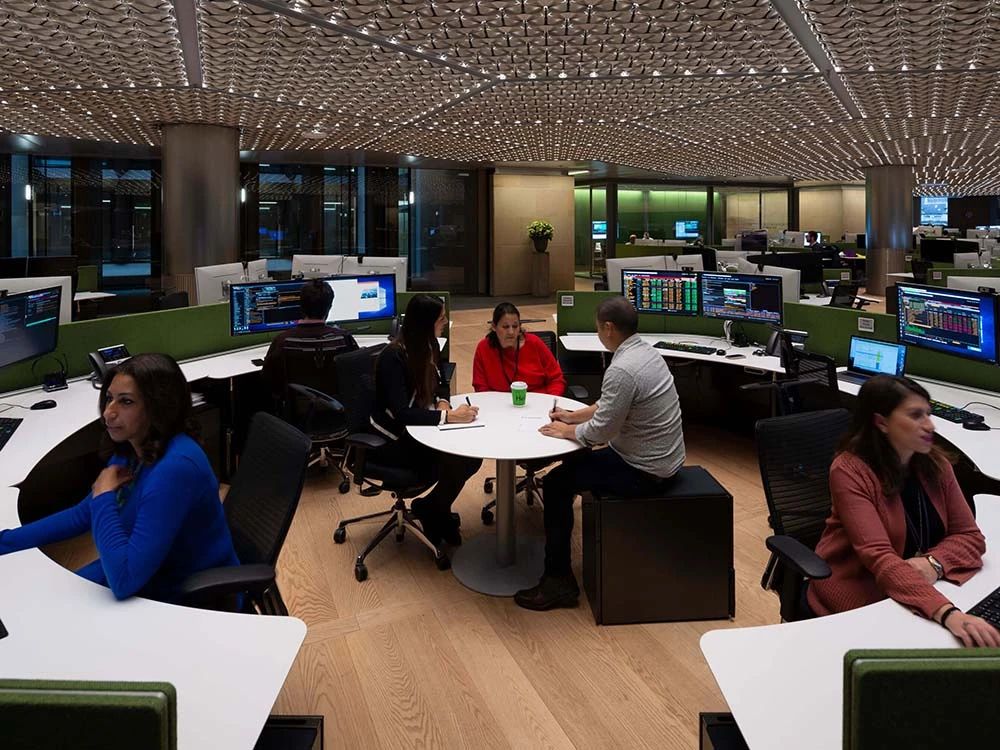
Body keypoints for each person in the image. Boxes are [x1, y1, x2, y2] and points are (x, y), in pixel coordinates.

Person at [0, 353, 239, 603]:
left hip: (187, 594)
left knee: (43, 610)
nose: (108, 413)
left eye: (126, 402)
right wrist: (4, 542)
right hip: (145, 566)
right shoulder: (136, 447)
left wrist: (104, 496)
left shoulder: (175, 468)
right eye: (109, 399)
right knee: (40, 601)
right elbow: (83, 514)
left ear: (158, 407)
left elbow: (124, 581)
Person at [514, 297, 686, 610]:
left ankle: (558, 582)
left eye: (597, 329)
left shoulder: (622, 369)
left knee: (555, 484)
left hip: (644, 470)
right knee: (576, 459)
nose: (597, 334)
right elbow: (610, 407)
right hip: (664, 459)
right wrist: (572, 417)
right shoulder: (646, 353)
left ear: (608, 328)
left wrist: (566, 431)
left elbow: (601, 431)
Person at [807, 375, 999, 648]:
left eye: (928, 414)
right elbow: (879, 558)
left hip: (921, 585)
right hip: (862, 589)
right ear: (881, 422)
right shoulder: (850, 471)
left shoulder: (936, 464)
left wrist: (934, 563)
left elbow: (970, 537)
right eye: (916, 415)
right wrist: (948, 614)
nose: (929, 425)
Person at [370, 294, 482, 547]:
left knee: (472, 456)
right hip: (392, 437)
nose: (445, 322)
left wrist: (443, 400)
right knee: (456, 459)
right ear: (424, 322)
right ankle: (434, 511)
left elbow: (441, 380)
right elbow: (402, 413)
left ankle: (432, 507)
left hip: (419, 426)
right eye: (441, 319)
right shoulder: (394, 357)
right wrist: (447, 416)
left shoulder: (430, 344)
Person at [261, 278, 359, 396]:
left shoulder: (283, 340)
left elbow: (267, 378)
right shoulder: (344, 338)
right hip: (337, 407)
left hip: (296, 408)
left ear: (301, 306)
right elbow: (356, 374)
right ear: (330, 307)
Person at [472, 302, 565, 396]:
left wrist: (551, 401)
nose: (511, 332)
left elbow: (556, 379)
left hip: (539, 402)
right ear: (494, 327)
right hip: (498, 405)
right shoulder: (483, 348)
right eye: (505, 327)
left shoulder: (534, 343)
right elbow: (481, 387)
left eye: (515, 326)